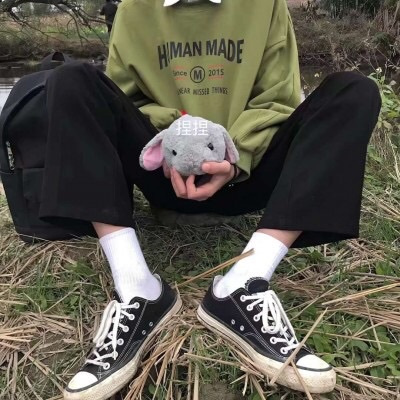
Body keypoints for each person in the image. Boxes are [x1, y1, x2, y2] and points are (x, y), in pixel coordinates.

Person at [30, 0, 380, 398]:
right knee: (71, 80)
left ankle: (244, 283)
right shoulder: (134, 9)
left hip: (246, 174)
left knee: (354, 91)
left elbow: (278, 101)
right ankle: (138, 288)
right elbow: (125, 102)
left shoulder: (265, 5)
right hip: (164, 170)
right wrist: (176, 139)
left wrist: (232, 156)